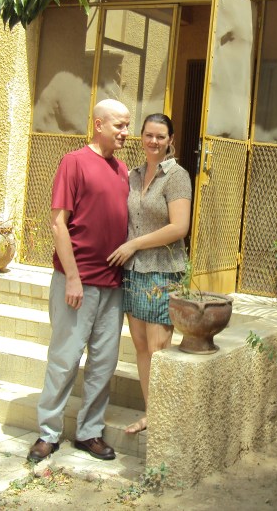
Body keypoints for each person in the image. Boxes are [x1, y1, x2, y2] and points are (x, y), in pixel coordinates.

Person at [27, 98, 131, 463]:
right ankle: (48, 433)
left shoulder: (122, 169)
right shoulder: (73, 162)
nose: (125, 132)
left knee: (103, 364)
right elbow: (59, 223)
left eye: (127, 125)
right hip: (77, 284)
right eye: (119, 125)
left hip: (113, 286)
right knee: (65, 359)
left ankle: (89, 432)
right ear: (99, 124)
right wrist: (72, 277)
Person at [107, 113, 192, 435]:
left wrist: (134, 244)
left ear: (170, 140)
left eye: (160, 136)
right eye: (149, 135)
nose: (154, 141)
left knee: (159, 348)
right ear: (141, 137)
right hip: (133, 270)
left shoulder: (177, 176)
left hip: (162, 270)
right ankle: (151, 414)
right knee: (141, 346)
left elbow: (179, 227)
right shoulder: (133, 175)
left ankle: (165, 419)